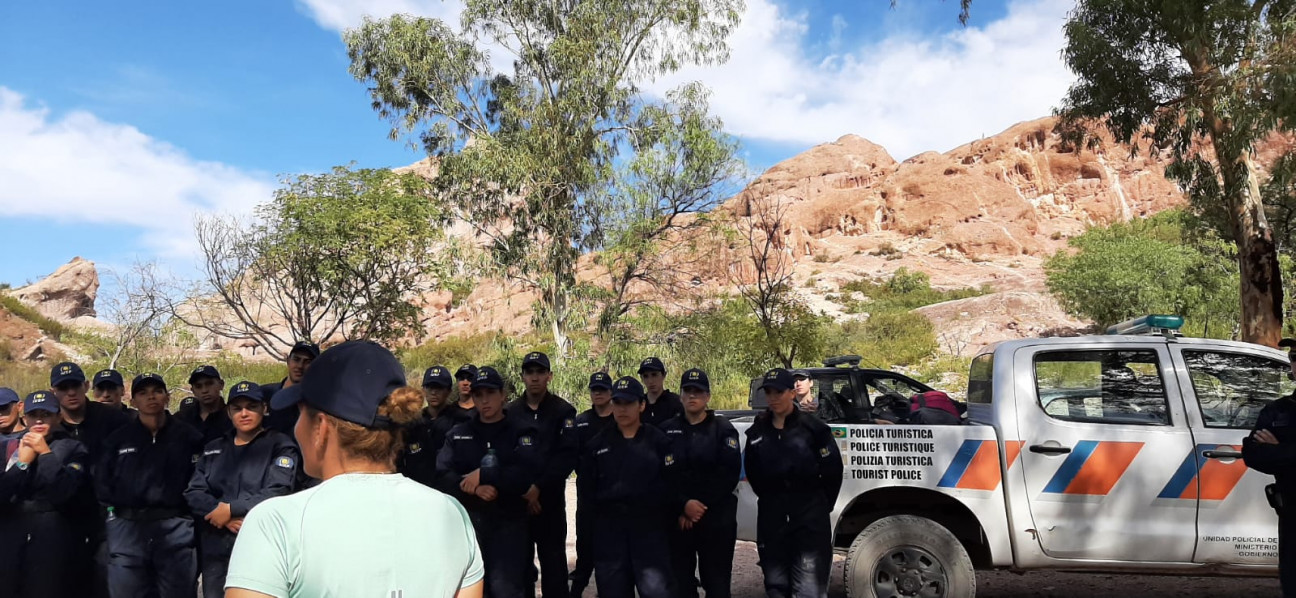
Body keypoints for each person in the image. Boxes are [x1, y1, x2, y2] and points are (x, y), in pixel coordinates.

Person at [225, 340, 484, 598]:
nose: (295, 427)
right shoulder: (452, 516)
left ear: (322, 428)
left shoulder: (275, 523)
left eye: (300, 414)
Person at [184, 381, 299, 598]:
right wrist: (223, 515)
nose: (244, 413)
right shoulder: (214, 448)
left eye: (251, 407)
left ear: (264, 409)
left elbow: (278, 490)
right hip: (216, 545)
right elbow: (194, 492)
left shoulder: (280, 445)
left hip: (260, 543)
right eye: (237, 408)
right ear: (229, 412)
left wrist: (232, 508)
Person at [97, 373, 205, 598]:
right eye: (143, 393)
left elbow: (199, 482)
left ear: (167, 397)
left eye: (157, 391)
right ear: (133, 401)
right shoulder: (118, 439)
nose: (151, 397)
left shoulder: (189, 436)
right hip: (128, 531)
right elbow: (102, 484)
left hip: (175, 531)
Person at [436, 366, 539, 598]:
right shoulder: (458, 433)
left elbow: (525, 474)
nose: (484, 400)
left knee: (506, 589)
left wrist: (485, 474)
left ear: (502, 395)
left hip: (509, 526)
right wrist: (473, 488)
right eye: (478, 395)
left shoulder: (521, 432)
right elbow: (442, 475)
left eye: (490, 393)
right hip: (470, 526)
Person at [744, 368, 843, 598]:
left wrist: (817, 507)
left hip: (809, 519)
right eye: (768, 392)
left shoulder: (814, 429)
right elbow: (754, 472)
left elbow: (833, 472)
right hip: (772, 520)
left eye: (778, 391)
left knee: (809, 590)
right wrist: (774, 500)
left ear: (791, 392)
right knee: (776, 587)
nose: (773, 397)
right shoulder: (757, 432)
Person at [580, 376, 677, 598]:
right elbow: (587, 493)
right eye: (617, 403)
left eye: (628, 403)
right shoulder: (597, 445)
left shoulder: (659, 442)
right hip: (610, 535)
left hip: (650, 533)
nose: (622, 409)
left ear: (641, 405)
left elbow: (671, 486)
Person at [0, 390, 91, 598]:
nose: (39, 420)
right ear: (25, 418)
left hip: (52, 530)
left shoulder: (73, 447)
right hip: (11, 528)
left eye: (46, 414)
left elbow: (65, 491)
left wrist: (45, 454)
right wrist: (22, 463)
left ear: (59, 416)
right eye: (34, 415)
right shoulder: (8, 447)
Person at [50, 361, 129, 598]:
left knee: (106, 585)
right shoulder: (50, 427)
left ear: (86, 386)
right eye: (63, 388)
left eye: (75, 385)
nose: (71, 392)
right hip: (64, 519)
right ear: (54, 391)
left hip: (109, 517)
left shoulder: (113, 419)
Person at [661, 368, 741, 598]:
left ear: (707, 396)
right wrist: (683, 505)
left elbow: (728, 473)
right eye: (688, 391)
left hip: (716, 519)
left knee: (716, 585)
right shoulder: (667, 430)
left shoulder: (723, 428)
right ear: (681, 396)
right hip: (679, 520)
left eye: (698, 391)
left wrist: (698, 506)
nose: (693, 396)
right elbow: (663, 476)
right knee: (680, 584)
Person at [507, 350, 576, 598]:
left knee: (555, 567)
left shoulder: (563, 411)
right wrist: (525, 490)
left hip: (550, 503)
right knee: (521, 568)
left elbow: (566, 456)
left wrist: (539, 488)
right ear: (523, 376)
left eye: (540, 372)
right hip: (519, 503)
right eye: (530, 372)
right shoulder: (510, 412)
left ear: (549, 376)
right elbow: (507, 455)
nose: (535, 377)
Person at [1243, 337, 1296, 598]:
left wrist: (1279, 450)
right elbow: (1252, 453)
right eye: (1295, 358)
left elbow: (1270, 455)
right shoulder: (1277, 410)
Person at [569, 371, 616, 597]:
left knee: (611, 554)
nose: (598, 393)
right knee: (585, 550)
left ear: (611, 392)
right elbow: (572, 456)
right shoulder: (581, 422)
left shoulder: (620, 419)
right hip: (587, 495)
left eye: (603, 389)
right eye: (594, 389)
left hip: (614, 495)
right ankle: (577, 589)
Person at [398, 365, 459, 487]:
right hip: (417, 490)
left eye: (439, 387)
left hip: (450, 491)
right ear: (423, 390)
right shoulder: (413, 423)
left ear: (449, 391)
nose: (434, 392)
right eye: (430, 387)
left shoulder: (460, 421)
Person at [259, 341, 319, 436]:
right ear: (288, 361)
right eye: (296, 359)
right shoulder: (265, 394)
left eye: (307, 362)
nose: (300, 366)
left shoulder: (319, 402)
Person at [177, 365, 234, 445]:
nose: (204, 390)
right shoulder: (182, 418)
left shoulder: (232, 417)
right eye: (198, 386)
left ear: (221, 384)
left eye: (209, 384)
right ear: (193, 390)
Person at [639, 357, 682, 428]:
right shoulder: (638, 404)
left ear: (663, 375)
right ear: (641, 379)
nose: (650, 381)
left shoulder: (675, 402)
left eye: (654, 375)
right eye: (646, 376)